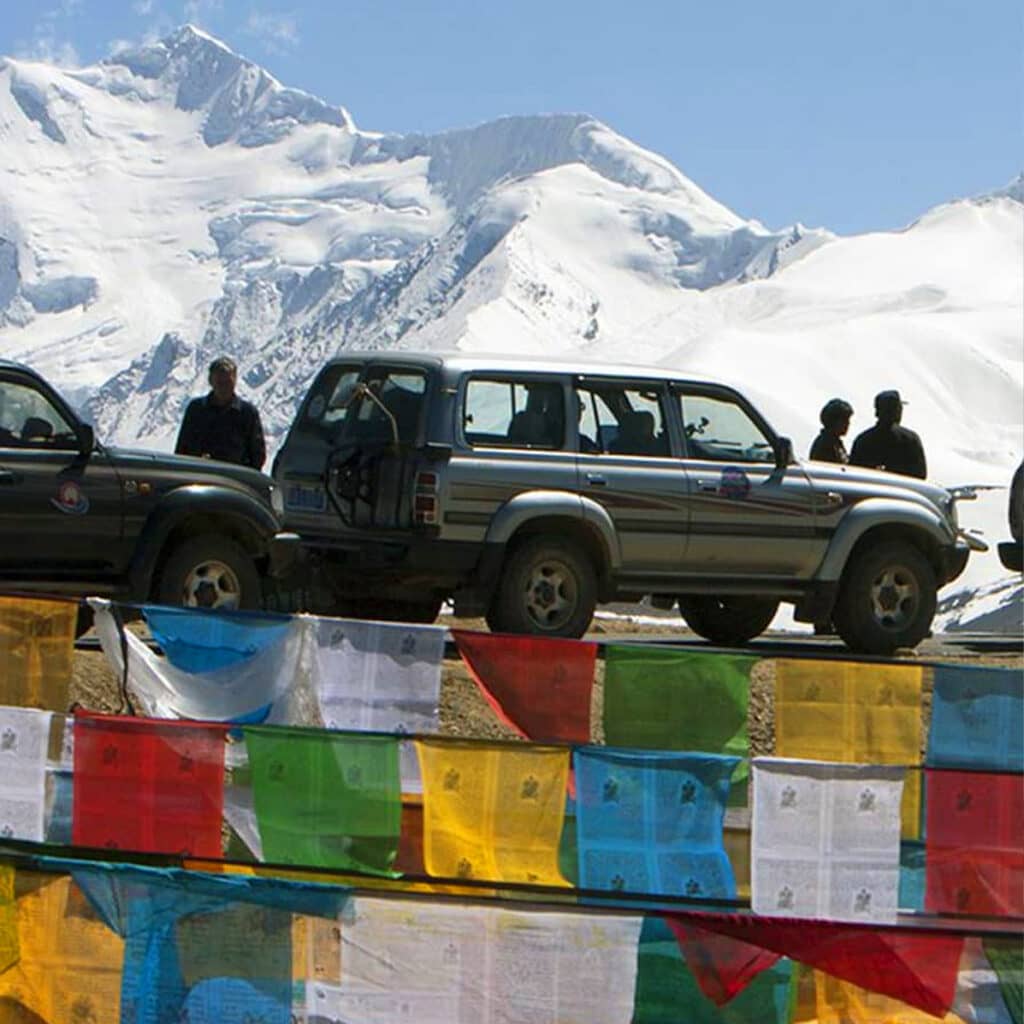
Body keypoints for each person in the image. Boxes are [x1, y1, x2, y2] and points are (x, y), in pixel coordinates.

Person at [175, 356, 266, 470]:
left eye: (228, 382)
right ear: (211, 382)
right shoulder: (196, 410)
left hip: (233, 482)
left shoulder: (247, 413)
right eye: (220, 382)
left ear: (235, 381)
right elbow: (182, 450)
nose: (224, 388)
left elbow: (258, 455)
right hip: (199, 478)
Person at [849, 389, 926, 479]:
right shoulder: (911, 440)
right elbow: (920, 476)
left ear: (877, 412)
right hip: (901, 492)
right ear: (898, 411)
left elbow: (853, 474)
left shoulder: (862, 440)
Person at [809, 398, 853, 463]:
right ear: (834, 421)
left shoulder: (835, 443)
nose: (848, 423)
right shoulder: (826, 444)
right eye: (844, 420)